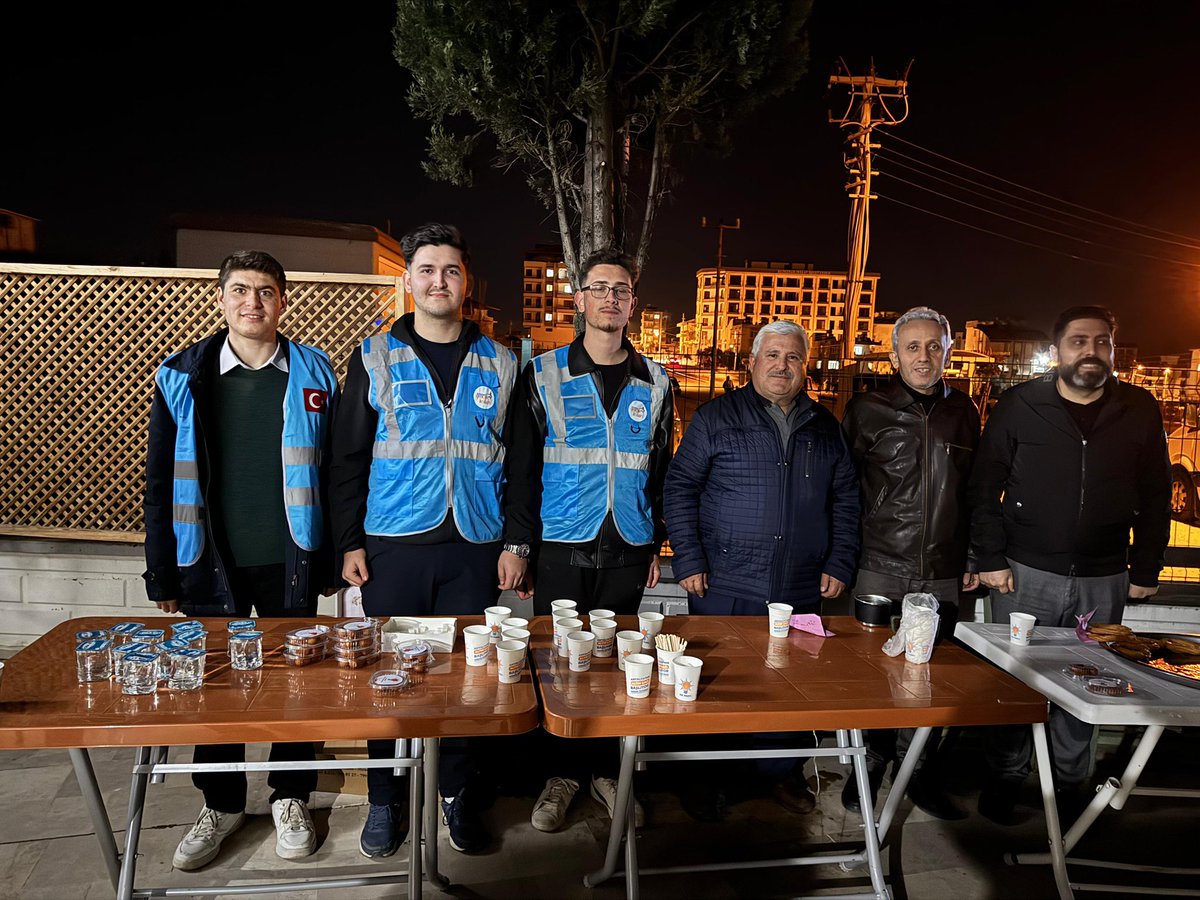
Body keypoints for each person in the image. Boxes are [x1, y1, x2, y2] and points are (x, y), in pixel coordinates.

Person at [143, 250, 339, 871]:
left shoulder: (314, 373)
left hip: (290, 560)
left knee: (294, 684)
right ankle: (221, 804)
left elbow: (333, 473)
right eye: (239, 290)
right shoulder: (183, 375)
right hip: (209, 561)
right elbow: (157, 481)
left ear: (284, 300)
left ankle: (290, 797)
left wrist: (332, 557)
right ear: (220, 299)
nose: (252, 301)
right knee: (214, 690)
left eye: (265, 290)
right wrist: (163, 572)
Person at [330, 223, 521, 856]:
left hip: (475, 545)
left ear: (467, 282)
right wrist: (349, 542)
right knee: (391, 676)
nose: (439, 281)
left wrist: (516, 543)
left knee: (471, 679)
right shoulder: (374, 356)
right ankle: (387, 799)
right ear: (408, 280)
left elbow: (523, 464)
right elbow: (349, 456)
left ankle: (457, 795)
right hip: (394, 546)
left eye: (452, 271)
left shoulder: (501, 360)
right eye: (427, 270)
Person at [969, 305, 1171, 824]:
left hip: (1105, 577)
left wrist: (1145, 569)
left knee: (1090, 680)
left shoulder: (1139, 408)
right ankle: (1005, 777)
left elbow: (1155, 493)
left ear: (1111, 350)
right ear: (1057, 350)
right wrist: (990, 558)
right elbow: (982, 483)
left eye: (1101, 342)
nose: (1091, 352)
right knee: (1015, 681)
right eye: (1079, 341)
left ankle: (1067, 783)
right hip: (1023, 574)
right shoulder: (1020, 405)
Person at [504, 247, 674, 832]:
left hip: (628, 545)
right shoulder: (545, 372)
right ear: (579, 300)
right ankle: (559, 776)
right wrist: (519, 545)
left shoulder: (655, 381)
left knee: (617, 663)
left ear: (632, 304)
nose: (610, 298)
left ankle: (605, 771)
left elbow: (660, 469)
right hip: (559, 545)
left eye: (620, 289)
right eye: (599, 288)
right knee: (558, 666)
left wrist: (656, 544)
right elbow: (521, 467)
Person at [664, 319, 859, 816]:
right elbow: (680, 488)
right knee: (713, 684)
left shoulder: (824, 426)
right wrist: (688, 558)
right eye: (772, 355)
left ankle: (779, 774)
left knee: (784, 686)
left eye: (793, 357)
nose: (782, 365)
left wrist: (839, 559)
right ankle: (707, 779)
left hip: (798, 584)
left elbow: (846, 499)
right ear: (751, 361)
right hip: (723, 580)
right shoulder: (715, 418)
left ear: (805, 367)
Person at [840, 306, 981, 820]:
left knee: (930, 678)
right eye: (912, 347)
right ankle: (867, 769)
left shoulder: (964, 410)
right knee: (874, 673)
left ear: (947, 350)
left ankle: (918, 771)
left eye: (933, 346)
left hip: (943, 570)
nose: (923, 356)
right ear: (895, 353)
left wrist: (971, 555)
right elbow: (846, 489)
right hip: (879, 563)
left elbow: (976, 492)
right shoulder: (867, 409)